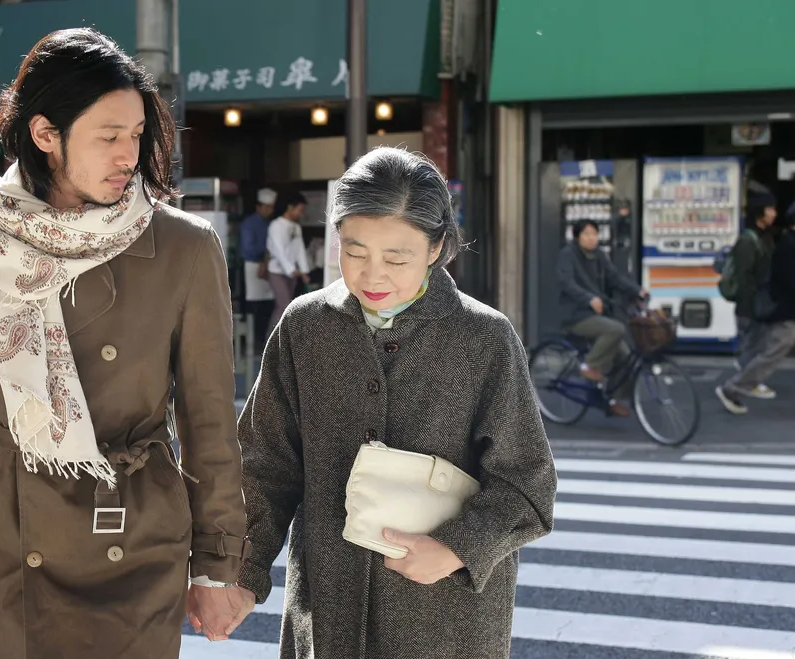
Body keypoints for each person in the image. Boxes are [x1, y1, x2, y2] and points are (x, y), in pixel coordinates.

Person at [0, 28, 249, 657]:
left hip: (139, 528)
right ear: (45, 135)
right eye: (109, 136)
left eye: (138, 135)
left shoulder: (184, 248)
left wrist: (217, 566)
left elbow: (208, 420)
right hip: (26, 530)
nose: (130, 155)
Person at [200, 146, 557, 658]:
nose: (372, 276)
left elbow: (528, 485)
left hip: (446, 618)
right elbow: (265, 465)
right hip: (327, 607)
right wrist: (239, 572)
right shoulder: (305, 326)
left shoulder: (483, 338)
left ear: (436, 248)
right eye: (354, 250)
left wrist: (457, 548)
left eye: (397, 257)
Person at [556, 219, 648, 416]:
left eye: (594, 234)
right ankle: (590, 366)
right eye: (587, 234)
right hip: (575, 314)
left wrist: (637, 290)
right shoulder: (568, 255)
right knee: (616, 329)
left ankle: (612, 398)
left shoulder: (599, 255)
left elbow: (615, 277)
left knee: (624, 355)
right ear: (577, 236)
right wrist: (589, 298)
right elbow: (566, 283)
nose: (591, 238)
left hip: (596, 314)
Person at [717, 212, 795, 413]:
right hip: (785, 311)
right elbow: (786, 281)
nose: (773, 213)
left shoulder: (779, 241)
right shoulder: (787, 246)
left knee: (768, 348)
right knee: (774, 350)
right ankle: (734, 387)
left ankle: (738, 384)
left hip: (783, 309)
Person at [726, 190, 779, 400]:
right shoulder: (748, 241)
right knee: (752, 342)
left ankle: (747, 379)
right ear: (760, 212)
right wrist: (752, 305)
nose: (774, 213)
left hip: (758, 301)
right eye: (770, 209)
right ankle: (746, 383)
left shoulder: (764, 237)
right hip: (750, 304)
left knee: (757, 342)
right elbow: (744, 276)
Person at [266, 191, 311, 329]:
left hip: (293, 272)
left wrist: (304, 271)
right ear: (290, 207)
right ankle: (272, 342)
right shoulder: (275, 225)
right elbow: (278, 251)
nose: (301, 214)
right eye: (300, 210)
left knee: (285, 306)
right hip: (277, 271)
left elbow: (299, 250)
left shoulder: (296, 227)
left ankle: (280, 343)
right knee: (284, 306)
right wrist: (291, 270)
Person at [241, 188, 277, 350]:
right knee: (253, 304)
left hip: (268, 265)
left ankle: (263, 338)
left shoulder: (272, 223)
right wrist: (265, 254)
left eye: (271, 207)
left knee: (266, 304)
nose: (269, 210)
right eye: (266, 207)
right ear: (258, 207)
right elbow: (248, 249)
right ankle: (252, 340)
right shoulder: (249, 224)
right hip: (252, 266)